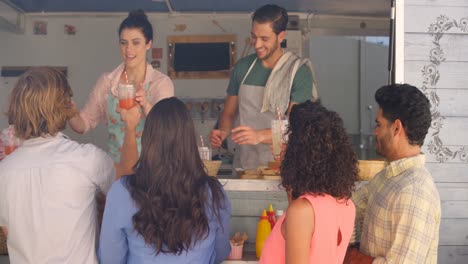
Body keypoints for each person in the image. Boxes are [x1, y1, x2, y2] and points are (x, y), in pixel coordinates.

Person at [0, 67, 116, 263]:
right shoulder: (86, 159)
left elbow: (6, 229)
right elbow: (128, 188)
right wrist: (131, 128)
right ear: (67, 107)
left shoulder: (5, 170)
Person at [99, 97, 231, 264]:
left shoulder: (122, 191)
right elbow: (221, 252)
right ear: (189, 142)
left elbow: (110, 259)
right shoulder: (213, 193)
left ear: (147, 140)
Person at [209, 4, 318, 169]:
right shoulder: (243, 68)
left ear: (281, 36)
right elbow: (229, 113)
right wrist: (223, 132)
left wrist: (258, 136)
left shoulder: (298, 72)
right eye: (254, 37)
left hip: (284, 167)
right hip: (244, 165)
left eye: (264, 39)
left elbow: (298, 126)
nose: (257, 44)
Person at [345, 84, 441, 264]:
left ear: (397, 128)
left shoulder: (414, 192)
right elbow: (350, 207)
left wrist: (351, 258)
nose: (375, 131)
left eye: (378, 124)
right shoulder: (387, 176)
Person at [69, 9, 174, 163]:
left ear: (148, 44)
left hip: (153, 170)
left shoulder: (160, 83)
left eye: (136, 42)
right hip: (117, 170)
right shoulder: (107, 82)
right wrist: (69, 112)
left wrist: (145, 104)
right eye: (123, 43)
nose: (128, 50)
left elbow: (167, 129)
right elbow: (83, 124)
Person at [260, 100, 357, 264]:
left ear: (297, 153)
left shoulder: (302, 211)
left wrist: (288, 169)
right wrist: (289, 176)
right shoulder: (346, 205)